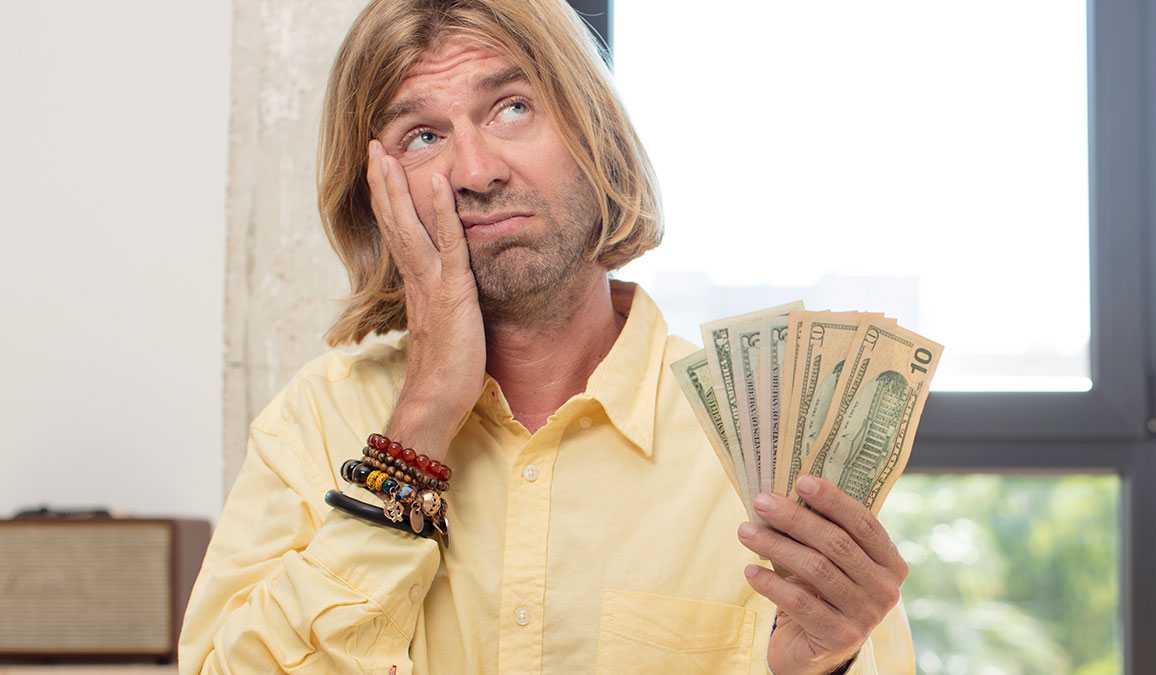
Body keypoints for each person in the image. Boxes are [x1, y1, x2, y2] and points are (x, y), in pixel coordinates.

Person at [178, 0, 914, 672]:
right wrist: (422, 420)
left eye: (512, 108)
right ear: (378, 196)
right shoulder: (312, 422)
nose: (475, 170)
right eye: (424, 135)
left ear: (594, 130)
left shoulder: (772, 451)